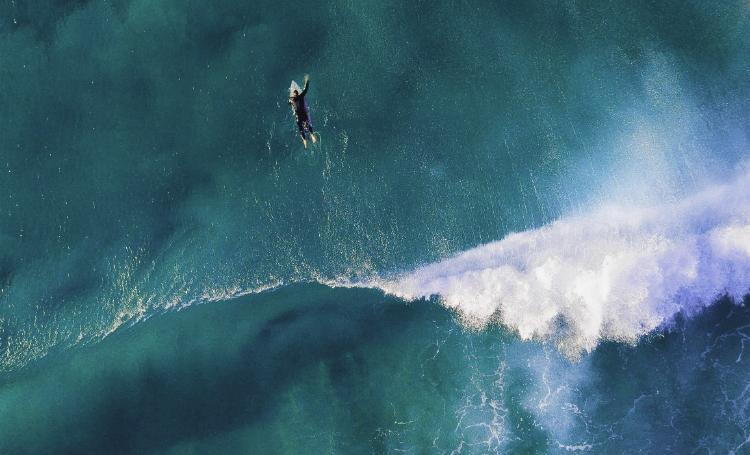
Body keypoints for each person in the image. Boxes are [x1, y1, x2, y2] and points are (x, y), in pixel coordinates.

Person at [288, 74, 317, 148]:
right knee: (307, 124)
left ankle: (304, 141)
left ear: (294, 95)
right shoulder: (301, 96)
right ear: (298, 94)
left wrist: (290, 100)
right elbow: (305, 89)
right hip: (303, 114)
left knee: (301, 128)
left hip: (298, 116)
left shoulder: (292, 99)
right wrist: (307, 81)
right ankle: (312, 135)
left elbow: (289, 103)